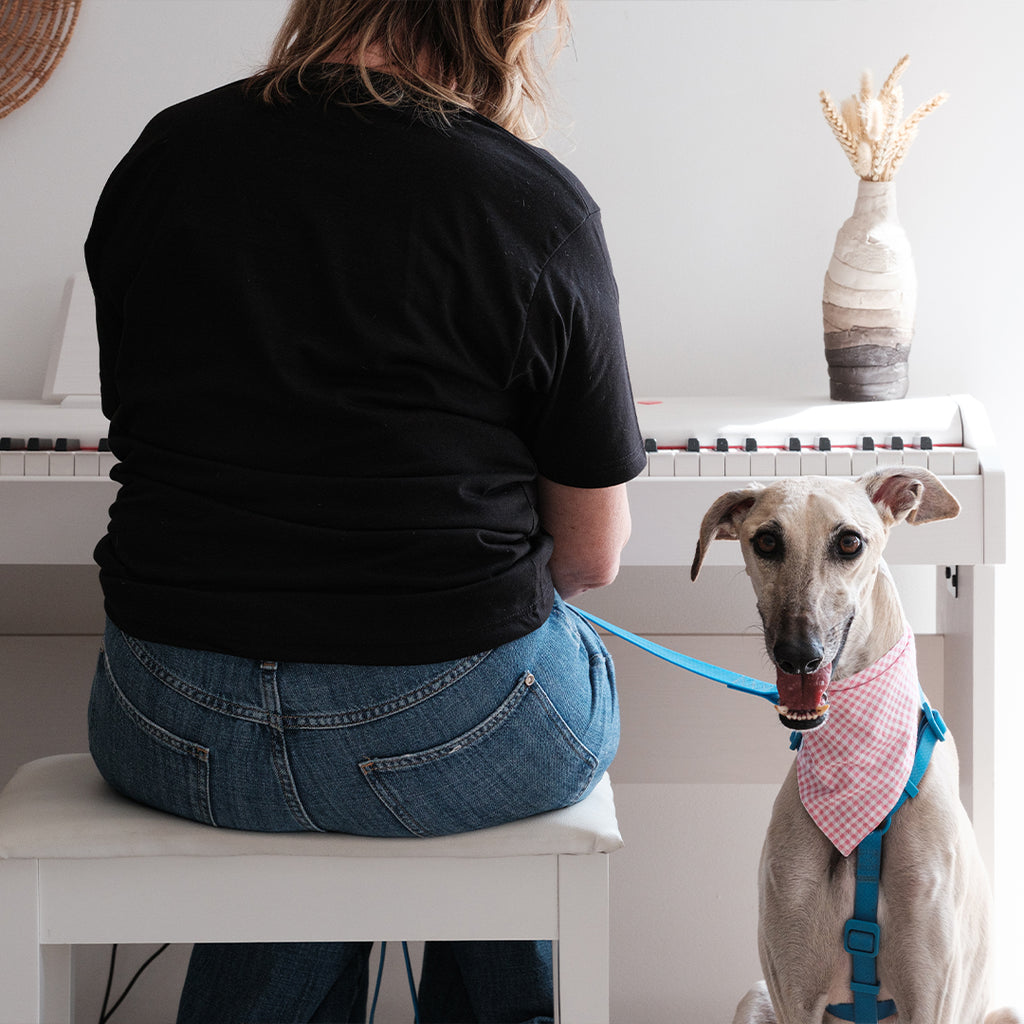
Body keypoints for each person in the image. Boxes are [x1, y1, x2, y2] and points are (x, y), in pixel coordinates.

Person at [84, 0, 646, 1020]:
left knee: (350, 760)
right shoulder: (526, 202)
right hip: (444, 739)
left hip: (162, 720)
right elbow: (591, 557)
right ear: (499, 19)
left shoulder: (165, 156)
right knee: (512, 673)